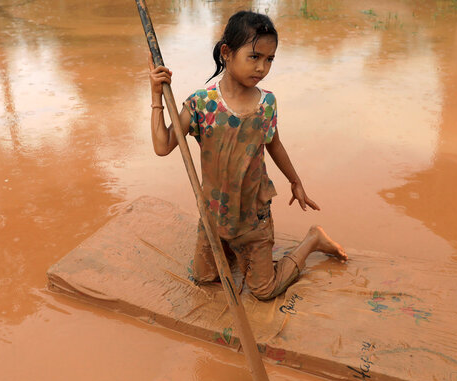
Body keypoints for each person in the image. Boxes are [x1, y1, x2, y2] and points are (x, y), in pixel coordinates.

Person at [147, 10, 348, 300]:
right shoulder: (201, 104)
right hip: (214, 214)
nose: (262, 68)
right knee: (203, 278)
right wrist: (156, 96)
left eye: (269, 59)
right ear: (227, 53)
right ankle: (229, 248)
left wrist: (296, 181)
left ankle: (313, 238)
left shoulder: (266, 103)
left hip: (254, 215)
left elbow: (274, 144)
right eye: (254, 57)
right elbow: (163, 146)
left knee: (264, 291)